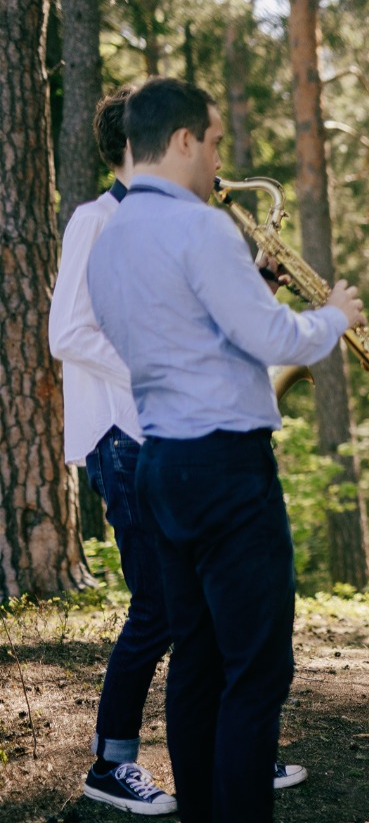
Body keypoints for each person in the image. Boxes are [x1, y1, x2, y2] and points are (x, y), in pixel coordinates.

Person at [87, 76, 363, 823]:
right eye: (212, 143)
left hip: (160, 466)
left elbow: (186, 339)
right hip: (228, 469)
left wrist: (252, 289)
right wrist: (332, 318)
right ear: (182, 141)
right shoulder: (202, 228)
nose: (218, 160)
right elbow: (272, 341)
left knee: (197, 663)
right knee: (257, 671)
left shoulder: (107, 245)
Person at [49, 86, 179, 815]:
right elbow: (67, 331)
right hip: (121, 438)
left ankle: (224, 747)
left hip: (169, 436)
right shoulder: (94, 221)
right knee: (157, 608)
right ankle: (110, 764)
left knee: (191, 601)